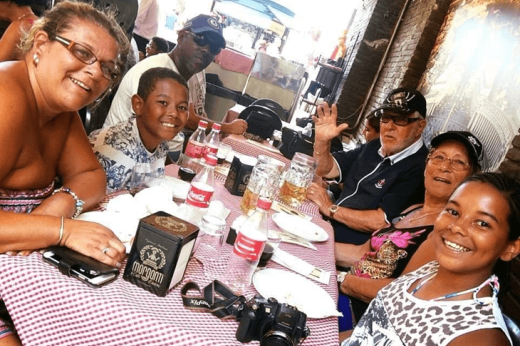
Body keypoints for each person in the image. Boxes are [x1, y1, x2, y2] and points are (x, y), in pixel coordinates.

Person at [0, 1, 129, 344]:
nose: (95, 72)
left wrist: (63, 201)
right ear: (40, 44)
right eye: (83, 52)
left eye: (107, 68)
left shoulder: (59, 109)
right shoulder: (5, 98)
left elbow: (91, 175)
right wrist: (62, 230)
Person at [342, 172, 520, 346]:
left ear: (510, 248)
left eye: (482, 223)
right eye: (453, 211)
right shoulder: (427, 270)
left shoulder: (476, 337)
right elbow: (366, 332)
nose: (457, 227)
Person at [336, 131, 483, 330]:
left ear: (472, 177)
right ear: (426, 166)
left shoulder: (449, 232)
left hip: (361, 317)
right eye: (438, 157)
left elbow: (399, 292)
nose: (444, 167)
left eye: (458, 163)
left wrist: (338, 278)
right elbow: (361, 253)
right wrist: (317, 248)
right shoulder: (412, 210)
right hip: (343, 290)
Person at [105, 14, 247, 157]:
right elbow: (146, 142)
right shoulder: (156, 73)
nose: (206, 50)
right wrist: (226, 128)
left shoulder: (182, 76)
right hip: (119, 158)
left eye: (214, 47)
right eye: (200, 39)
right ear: (181, 37)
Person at [308, 88, 429, 245]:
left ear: (420, 126)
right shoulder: (375, 145)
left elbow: (379, 221)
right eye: (385, 117)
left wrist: (329, 208)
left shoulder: (419, 167)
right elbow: (326, 169)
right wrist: (322, 140)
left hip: (345, 246)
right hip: (325, 225)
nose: (389, 126)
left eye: (400, 119)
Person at [89, 67, 188, 192]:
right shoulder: (117, 153)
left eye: (182, 107)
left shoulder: (159, 141)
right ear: (138, 105)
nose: (174, 113)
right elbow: (93, 205)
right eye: (163, 102)